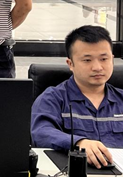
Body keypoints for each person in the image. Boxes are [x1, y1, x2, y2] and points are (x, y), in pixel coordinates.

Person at [31, 25, 123, 169]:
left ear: (112, 59)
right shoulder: (52, 98)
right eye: (87, 60)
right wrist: (79, 143)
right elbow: (41, 133)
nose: (97, 67)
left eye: (104, 59)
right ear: (70, 64)